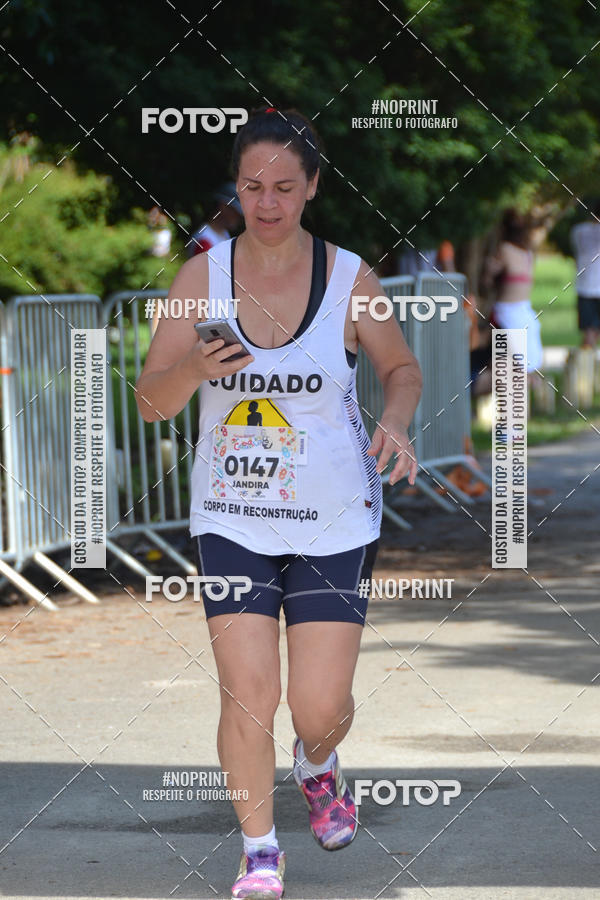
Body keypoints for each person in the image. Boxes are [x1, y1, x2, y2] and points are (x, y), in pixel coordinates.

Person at [135, 106, 422, 900]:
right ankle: (259, 848)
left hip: (333, 517)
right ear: (238, 189)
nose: (266, 203)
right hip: (231, 517)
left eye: (284, 188)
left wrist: (395, 421)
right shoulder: (199, 278)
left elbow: (401, 368)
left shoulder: (350, 277)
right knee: (248, 691)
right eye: (252, 187)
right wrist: (192, 367)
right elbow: (151, 401)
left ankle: (320, 763)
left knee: (317, 706)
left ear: (313, 189)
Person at [482, 208, 543, 374]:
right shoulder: (527, 254)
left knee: (502, 361)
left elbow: (487, 280)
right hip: (525, 310)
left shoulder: (504, 250)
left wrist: (489, 267)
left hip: (506, 313)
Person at [570, 200, 600, 349]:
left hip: (585, 286)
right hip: (591, 287)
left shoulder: (578, 230)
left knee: (589, 331)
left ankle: (586, 363)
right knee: (593, 333)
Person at [187, 182, 244, 258]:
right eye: (236, 212)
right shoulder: (205, 240)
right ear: (223, 207)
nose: (238, 218)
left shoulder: (224, 234)